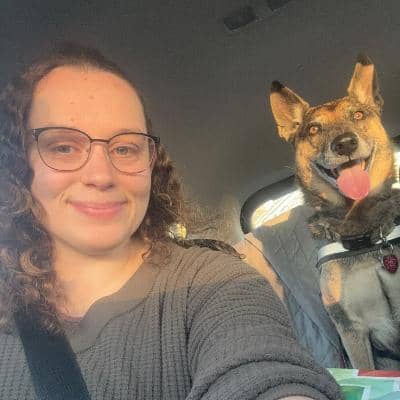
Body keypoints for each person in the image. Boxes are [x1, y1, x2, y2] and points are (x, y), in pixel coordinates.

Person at [0, 43, 342, 400]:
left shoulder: (213, 282)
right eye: (64, 147)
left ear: (151, 164)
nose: (101, 175)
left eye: (125, 148)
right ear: (18, 162)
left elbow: (266, 372)